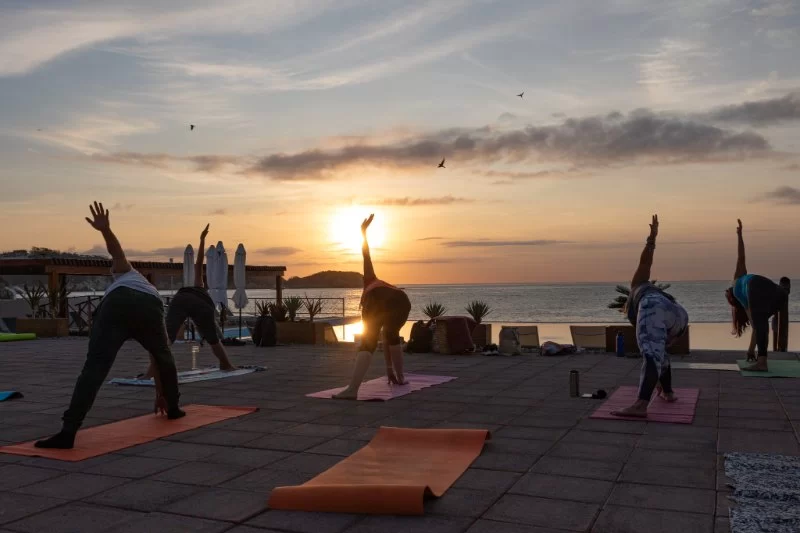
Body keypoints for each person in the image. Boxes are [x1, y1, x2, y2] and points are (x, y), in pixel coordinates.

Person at [36, 202, 184, 450]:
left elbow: (117, 253)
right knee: (164, 356)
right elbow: (158, 359)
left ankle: (68, 432)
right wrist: (162, 396)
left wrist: (105, 230)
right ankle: (175, 409)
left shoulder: (125, 275)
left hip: (116, 304)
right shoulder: (145, 286)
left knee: (95, 368)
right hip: (150, 307)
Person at [611, 215, 689, 418]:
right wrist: (652, 238)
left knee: (651, 355)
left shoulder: (637, 288)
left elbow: (645, 262)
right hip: (679, 313)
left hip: (654, 305)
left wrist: (651, 239)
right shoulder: (645, 291)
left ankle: (640, 405)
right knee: (659, 353)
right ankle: (668, 392)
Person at [139, 223, 235, 379]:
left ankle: (151, 372)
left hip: (181, 300)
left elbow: (198, 263)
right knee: (213, 339)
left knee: (166, 339)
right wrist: (202, 240)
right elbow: (199, 264)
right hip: (201, 305)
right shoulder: (202, 291)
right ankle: (226, 364)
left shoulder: (197, 286)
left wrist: (202, 240)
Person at [333, 214, 411, 399]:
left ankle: (352, 390)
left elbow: (366, 254)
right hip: (402, 301)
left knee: (368, 344)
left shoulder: (369, 285)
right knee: (392, 336)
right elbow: (387, 338)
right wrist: (389, 369)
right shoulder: (381, 285)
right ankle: (400, 378)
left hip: (383, 302)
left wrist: (363, 233)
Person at [726, 220, 789, 372]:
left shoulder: (740, 291)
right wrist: (739, 234)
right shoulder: (739, 284)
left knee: (760, 325)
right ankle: (761, 361)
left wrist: (739, 235)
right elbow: (741, 257)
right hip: (776, 290)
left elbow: (741, 257)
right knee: (761, 323)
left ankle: (762, 363)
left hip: (756, 287)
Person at [746, 276, 791, 356]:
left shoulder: (780, 294)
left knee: (771, 330)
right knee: (767, 330)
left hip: (776, 312)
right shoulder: (779, 294)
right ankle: (774, 350)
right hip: (774, 313)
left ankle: (778, 349)